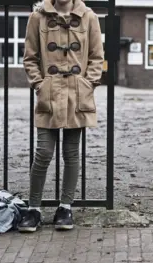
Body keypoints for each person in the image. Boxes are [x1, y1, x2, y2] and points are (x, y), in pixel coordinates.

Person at [19, 0, 103, 232]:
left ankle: (65, 208)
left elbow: (97, 57)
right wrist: (39, 84)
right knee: (44, 152)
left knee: (71, 152)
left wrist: (88, 83)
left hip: (77, 94)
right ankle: (33, 209)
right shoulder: (38, 17)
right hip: (49, 93)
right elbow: (30, 57)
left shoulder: (89, 17)